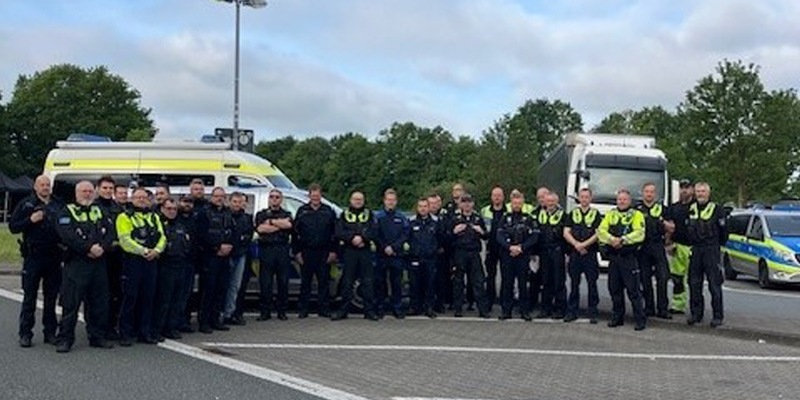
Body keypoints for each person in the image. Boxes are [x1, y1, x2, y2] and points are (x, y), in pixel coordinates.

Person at [53, 181, 115, 352]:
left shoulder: (100, 210)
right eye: (83, 191)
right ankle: (65, 339)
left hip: (98, 262)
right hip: (77, 263)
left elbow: (111, 232)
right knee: (71, 303)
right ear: (76, 193)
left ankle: (97, 336)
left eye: (89, 191)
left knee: (99, 303)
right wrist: (88, 248)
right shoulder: (67, 211)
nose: (87, 194)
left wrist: (102, 248)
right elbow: (67, 235)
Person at [10, 175, 63, 348]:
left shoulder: (58, 204)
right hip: (33, 256)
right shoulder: (27, 204)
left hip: (54, 256)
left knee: (51, 297)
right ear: (35, 186)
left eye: (48, 185)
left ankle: (50, 333)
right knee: (30, 297)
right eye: (42, 185)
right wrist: (30, 220)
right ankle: (25, 333)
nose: (45, 187)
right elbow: (13, 227)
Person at [117, 187, 166, 346]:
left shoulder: (154, 217)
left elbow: (162, 236)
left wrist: (157, 250)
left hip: (151, 261)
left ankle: (144, 332)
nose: (141, 200)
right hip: (133, 262)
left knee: (148, 298)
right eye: (138, 197)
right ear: (132, 199)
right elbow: (125, 240)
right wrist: (144, 251)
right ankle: (125, 333)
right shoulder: (124, 217)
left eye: (144, 197)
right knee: (130, 298)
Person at [598, 188, 647, 331]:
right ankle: (617, 317)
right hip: (614, 257)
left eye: (624, 199)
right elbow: (601, 231)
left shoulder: (636, 215)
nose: (622, 201)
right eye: (619, 199)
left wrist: (623, 240)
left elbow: (640, 233)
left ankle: (640, 319)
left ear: (629, 201)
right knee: (615, 289)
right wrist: (612, 239)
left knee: (634, 291)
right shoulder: (611, 214)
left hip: (629, 257)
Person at [293, 184, 337, 318]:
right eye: (313, 195)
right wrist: (297, 252)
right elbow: (295, 233)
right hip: (306, 251)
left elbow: (335, 233)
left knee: (323, 282)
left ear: (321, 195)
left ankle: (324, 309)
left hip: (324, 251)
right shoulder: (302, 211)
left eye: (317, 195)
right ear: (309, 196)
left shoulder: (328, 211)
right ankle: (303, 309)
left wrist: (333, 251)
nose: (315, 198)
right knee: (306, 282)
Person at [332, 190, 378, 321]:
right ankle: (343, 310)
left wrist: (362, 238)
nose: (358, 201)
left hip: (365, 251)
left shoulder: (369, 214)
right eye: (355, 199)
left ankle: (369, 311)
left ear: (363, 201)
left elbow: (374, 231)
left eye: (360, 199)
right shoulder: (344, 214)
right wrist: (352, 238)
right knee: (347, 282)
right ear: (350, 200)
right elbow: (339, 231)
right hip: (349, 251)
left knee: (368, 282)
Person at [687, 182, 727, 328]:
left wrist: (716, 246)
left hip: (711, 249)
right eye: (698, 191)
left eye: (703, 191)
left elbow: (724, 232)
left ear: (708, 193)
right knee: (694, 283)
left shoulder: (717, 209)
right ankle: (696, 314)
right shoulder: (691, 208)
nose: (700, 194)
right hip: (696, 250)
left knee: (714, 284)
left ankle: (717, 316)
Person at [195, 187, 234, 333]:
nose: (219, 198)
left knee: (221, 289)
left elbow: (232, 232)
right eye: (217, 196)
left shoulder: (227, 213)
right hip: (210, 257)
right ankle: (204, 322)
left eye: (222, 196)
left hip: (225, 257)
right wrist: (216, 248)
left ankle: (215, 320)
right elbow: (201, 235)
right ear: (211, 197)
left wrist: (229, 246)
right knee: (208, 290)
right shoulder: (204, 213)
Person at [497, 190, 539, 321]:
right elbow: (499, 236)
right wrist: (509, 247)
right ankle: (506, 311)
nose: (516, 205)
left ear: (522, 203)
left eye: (519, 203)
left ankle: (524, 311)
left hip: (523, 255)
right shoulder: (505, 218)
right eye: (514, 203)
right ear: (511, 203)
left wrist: (521, 247)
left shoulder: (529, 218)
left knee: (523, 284)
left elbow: (534, 237)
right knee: (507, 283)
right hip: (508, 254)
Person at [153, 199, 192, 340]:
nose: (172, 211)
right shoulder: (157, 224)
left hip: (180, 265)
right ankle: (157, 329)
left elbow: (186, 244)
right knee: (163, 300)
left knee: (177, 299)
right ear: (162, 209)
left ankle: (171, 327)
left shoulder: (180, 225)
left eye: (174, 209)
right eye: (169, 208)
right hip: (165, 265)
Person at [448, 194, 490, 318]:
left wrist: (481, 231)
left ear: (473, 204)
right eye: (464, 202)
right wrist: (454, 232)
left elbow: (486, 236)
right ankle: (458, 309)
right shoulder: (455, 219)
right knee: (458, 282)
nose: (467, 204)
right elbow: (447, 237)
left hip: (474, 253)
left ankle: (482, 310)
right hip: (460, 253)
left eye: (469, 202)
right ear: (460, 204)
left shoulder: (477, 218)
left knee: (478, 282)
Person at [254, 189, 293, 321]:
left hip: (282, 250)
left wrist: (270, 222)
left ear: (281, 199)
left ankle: (282, 311)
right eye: (272, 197)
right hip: (266, 250)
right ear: (269, 199)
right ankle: (265, 312)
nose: (274, 199)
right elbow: (260, 229)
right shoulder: (261, 214)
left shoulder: (287, 214)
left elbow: (288, 225)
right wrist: (279, 225)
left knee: (283, 282)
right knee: (266, 283)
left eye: (277, 197)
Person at [563, 188, 601, 323]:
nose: (584, 199)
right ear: (578, 198)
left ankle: (593, 312)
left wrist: (584, 245)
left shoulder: (596, 214)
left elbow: (598, 233)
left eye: (586, 197)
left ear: (590, 198)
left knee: (592, 283)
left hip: (590, 254)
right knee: (574, 283)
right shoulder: (572, 213)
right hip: (575, 253)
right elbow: (566, 232)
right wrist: (576, 245)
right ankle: (572, 311)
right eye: (582, 197)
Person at [94, 176, 125, 340]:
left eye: (110, 188)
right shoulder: (93, 207)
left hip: (116, 257)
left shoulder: (118, 209)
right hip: (99, 257)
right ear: (98, 189)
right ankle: (97, 329)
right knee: (99, 295)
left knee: (115, 294)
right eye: (104, 188)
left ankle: (111, 327)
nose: (107, 191)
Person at [636, 182, 671, 319]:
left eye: (651, 192)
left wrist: (663, 222)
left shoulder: (663, 209)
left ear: (655, 194)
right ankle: (649, 308)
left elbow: (672, 228)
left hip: (658, 246)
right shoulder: (637, 209)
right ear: (642, 193)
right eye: (647, 191)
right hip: (642, 247)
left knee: (662, 278)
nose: (649, 194)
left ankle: (663, 309)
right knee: (645, 279)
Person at [374, 189, 410, 319]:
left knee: (397, 283)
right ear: (384, 201)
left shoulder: (402, 217)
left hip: (396, 254)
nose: (391, 202)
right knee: (380, 283)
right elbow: (375, 234)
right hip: (381, 254)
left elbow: (405, 234)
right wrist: (384, 247)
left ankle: (397, 308)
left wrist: (394, 247)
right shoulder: (378, 217)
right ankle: (380, 308)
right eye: (388, 200)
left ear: (396, 201)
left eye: (393, 200)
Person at [664, 179, 695, 314]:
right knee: (677, 278)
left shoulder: (696, 207)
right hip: (678, 246)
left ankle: (695, 308)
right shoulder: (673, 208)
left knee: (694, 280)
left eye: (687, 188)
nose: (684, 191)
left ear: (692, 190)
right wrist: (668, 243)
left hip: (693, 247)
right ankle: (678, 305)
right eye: (682, 188)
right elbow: (669, 228)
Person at [223, 192, 254, 326]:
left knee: (235, 286)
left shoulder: (247, 218)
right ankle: (220, 314)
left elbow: (248, 235)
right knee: (223, 286)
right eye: (234, 201)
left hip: (240, 255)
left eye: (239, 202)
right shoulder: (224, 216)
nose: (237, 204)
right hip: (225, 255)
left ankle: (229, 314)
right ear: (229, 202)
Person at [408, 197, 440, 318]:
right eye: (420, 206)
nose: (423, 209)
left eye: (425, 206)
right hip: (415, 258)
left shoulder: (436, 221)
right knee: (414, 284)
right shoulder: (411, 221)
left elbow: (441, 237)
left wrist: (435, 250)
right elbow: (407, 237)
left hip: (430, 258)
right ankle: (415, 307)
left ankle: (429, 308)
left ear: (429, 207)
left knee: (430, 284)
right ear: (417, 208)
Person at [536, 192, 567, 319]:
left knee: (559, 281)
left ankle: (560, 309)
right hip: (544, 251)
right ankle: (545, 309)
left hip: (557, 251)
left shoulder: (563, 215)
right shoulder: (540, 214)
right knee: (545, 281)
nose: (550, 204)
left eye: (553, 201)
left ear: (557, 202)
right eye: (548, 201)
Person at [480, 186, 505, 310]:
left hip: (505, 247)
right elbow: (481, 229)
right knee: (490, 276)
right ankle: (489, 301)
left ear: (503, 197)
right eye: (495, 195)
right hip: (491, 247)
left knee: (506, 276)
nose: (497, 198)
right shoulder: (485, 211)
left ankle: (505, 302)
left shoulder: (508, 210)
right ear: (491, 197)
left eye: (499, 195)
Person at [176, 195, 197, 333]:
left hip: (190, 261)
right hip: (177, 261)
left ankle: (184, 321)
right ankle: (175, 322)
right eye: (185, 202)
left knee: (187, 294)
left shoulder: (195, 219)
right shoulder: (175, 219)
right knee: (177, 294)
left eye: (190, 202)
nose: (187, 205)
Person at [428, 193, 450, 314]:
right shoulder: (425, 218)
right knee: (429, 280)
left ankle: (440, 304)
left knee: (441, 280)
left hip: (442, 254)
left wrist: (442, 247)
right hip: (428, 254)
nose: (433, 205)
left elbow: (447, 234)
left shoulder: (444, 217)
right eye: (431, 203)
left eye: (436, 203)